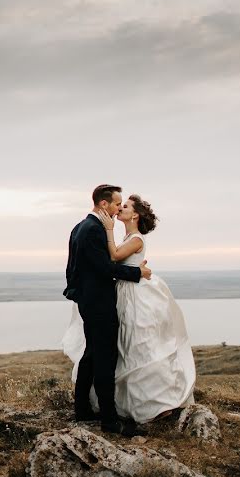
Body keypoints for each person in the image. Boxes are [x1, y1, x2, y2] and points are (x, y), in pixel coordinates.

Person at [94, 194, 196, 423]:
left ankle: (158, 403)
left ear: (136, 214)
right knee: (127, 345)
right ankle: (133, 402)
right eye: (120, 205)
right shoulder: (128, 236)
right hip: (125, 292)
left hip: (136, 297)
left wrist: (108, 229)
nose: (120, 208)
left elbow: (114, 256)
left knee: (141, 343)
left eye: (126, 206)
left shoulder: (136, 239)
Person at [62, 184, 151, 437]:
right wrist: (138, 272)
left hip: (89, 300)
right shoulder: (93, 230)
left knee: (91, 355)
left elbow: (72, 269)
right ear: (104, 204)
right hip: (98, 303)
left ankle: (82, 411)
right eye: (116, 204)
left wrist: (76, 293)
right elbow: (104, 268)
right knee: (105, 359)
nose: (118, 208)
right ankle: (110, 421)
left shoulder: (80, 227)